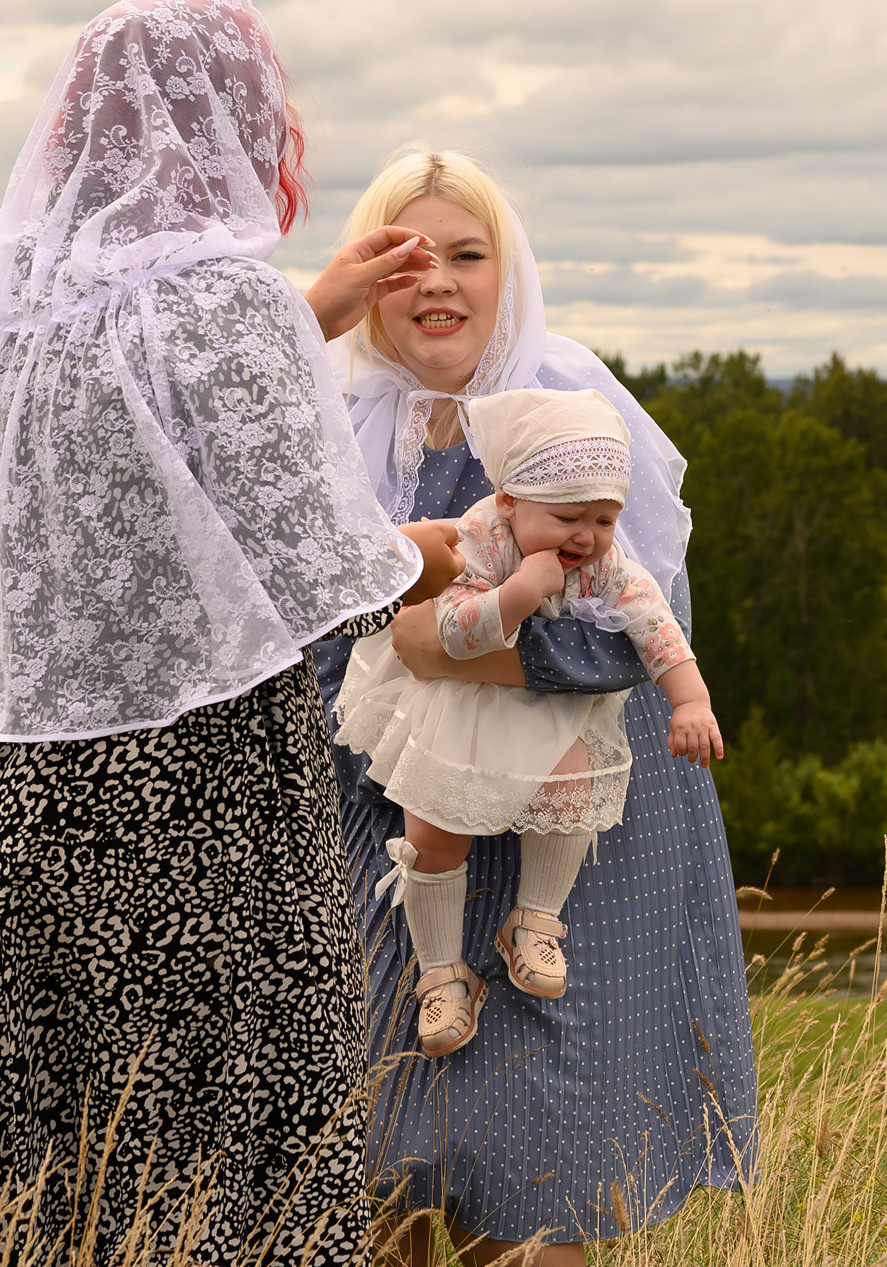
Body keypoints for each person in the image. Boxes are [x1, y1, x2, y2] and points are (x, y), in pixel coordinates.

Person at [0, 0, 462, 1264]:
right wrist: (441, 549)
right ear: (238, 123)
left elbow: (112, 463)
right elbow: (331, 567)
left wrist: (314, 311)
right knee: (236, 1153)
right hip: (185, 794)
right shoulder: (219, 301)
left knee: (58, 1153)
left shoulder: (0, 296)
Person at [312, 148, 758, 1264]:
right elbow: (304, 637)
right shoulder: (339, 422)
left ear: (507, 273)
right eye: (407, 259)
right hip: (398, 818)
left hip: (567, 829)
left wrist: (448, 650)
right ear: (364, 280)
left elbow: (637, 625)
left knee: (538, 1173)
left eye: (468, 256)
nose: (440, 284)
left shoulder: (572, 403)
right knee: (390, 1163)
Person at [333, 387, 723, 1060]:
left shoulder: (602, 559)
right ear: (511, 499)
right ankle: (442, 973)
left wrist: (690, 699)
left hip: (547, 707)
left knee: (574, 789)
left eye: (605, 519)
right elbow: (451, 631)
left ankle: (535, 919)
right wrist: (516, 593)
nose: (589, 536)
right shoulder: (478, 537)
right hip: (462, 709)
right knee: (432, 833)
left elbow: (653, 621)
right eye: (571, 516)